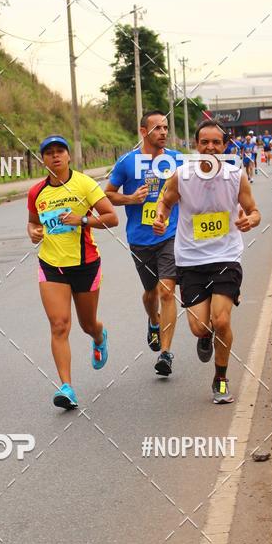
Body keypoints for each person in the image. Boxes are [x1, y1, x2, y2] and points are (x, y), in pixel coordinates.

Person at [153, 120, 261, 404]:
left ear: (224, 146)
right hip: (190, 260)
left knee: (222, 319)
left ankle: (221, 378)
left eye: (216, 143)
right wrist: (161, 216)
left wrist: (249, 220)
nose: (210, 148)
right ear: (196, 145)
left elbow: (254, 211)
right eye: (204, 142)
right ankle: (206, 334)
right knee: (200, 327)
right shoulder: (182, 175)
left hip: (226, 256)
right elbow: (165, 201)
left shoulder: (236, 176)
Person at [27, 135, 118, 410]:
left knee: (86, 324)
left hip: (85, 264)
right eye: (49, 153)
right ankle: (66, 387)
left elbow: (112, 217)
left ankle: (99, 335)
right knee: (59, 325)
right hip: (51, 265)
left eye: (60, 152)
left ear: (68, 157)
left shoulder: (84, 184)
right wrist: (33, 233)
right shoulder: (36, 193)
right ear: (43, 160)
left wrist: (83, 219)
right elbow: (32, 224)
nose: (55, 156)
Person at [105, 110, 184, 376]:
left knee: (166, 291)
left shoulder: (176, 159)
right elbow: (107, 196)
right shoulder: (127, 162)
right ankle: (153, 320)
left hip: (169, 236)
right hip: (140, 239)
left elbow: (193, 190)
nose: (163, 132)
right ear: (143, 132)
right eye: (157, 128)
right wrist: (130, 199)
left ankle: (166, 353)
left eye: (165, 127)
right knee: (151, 293)